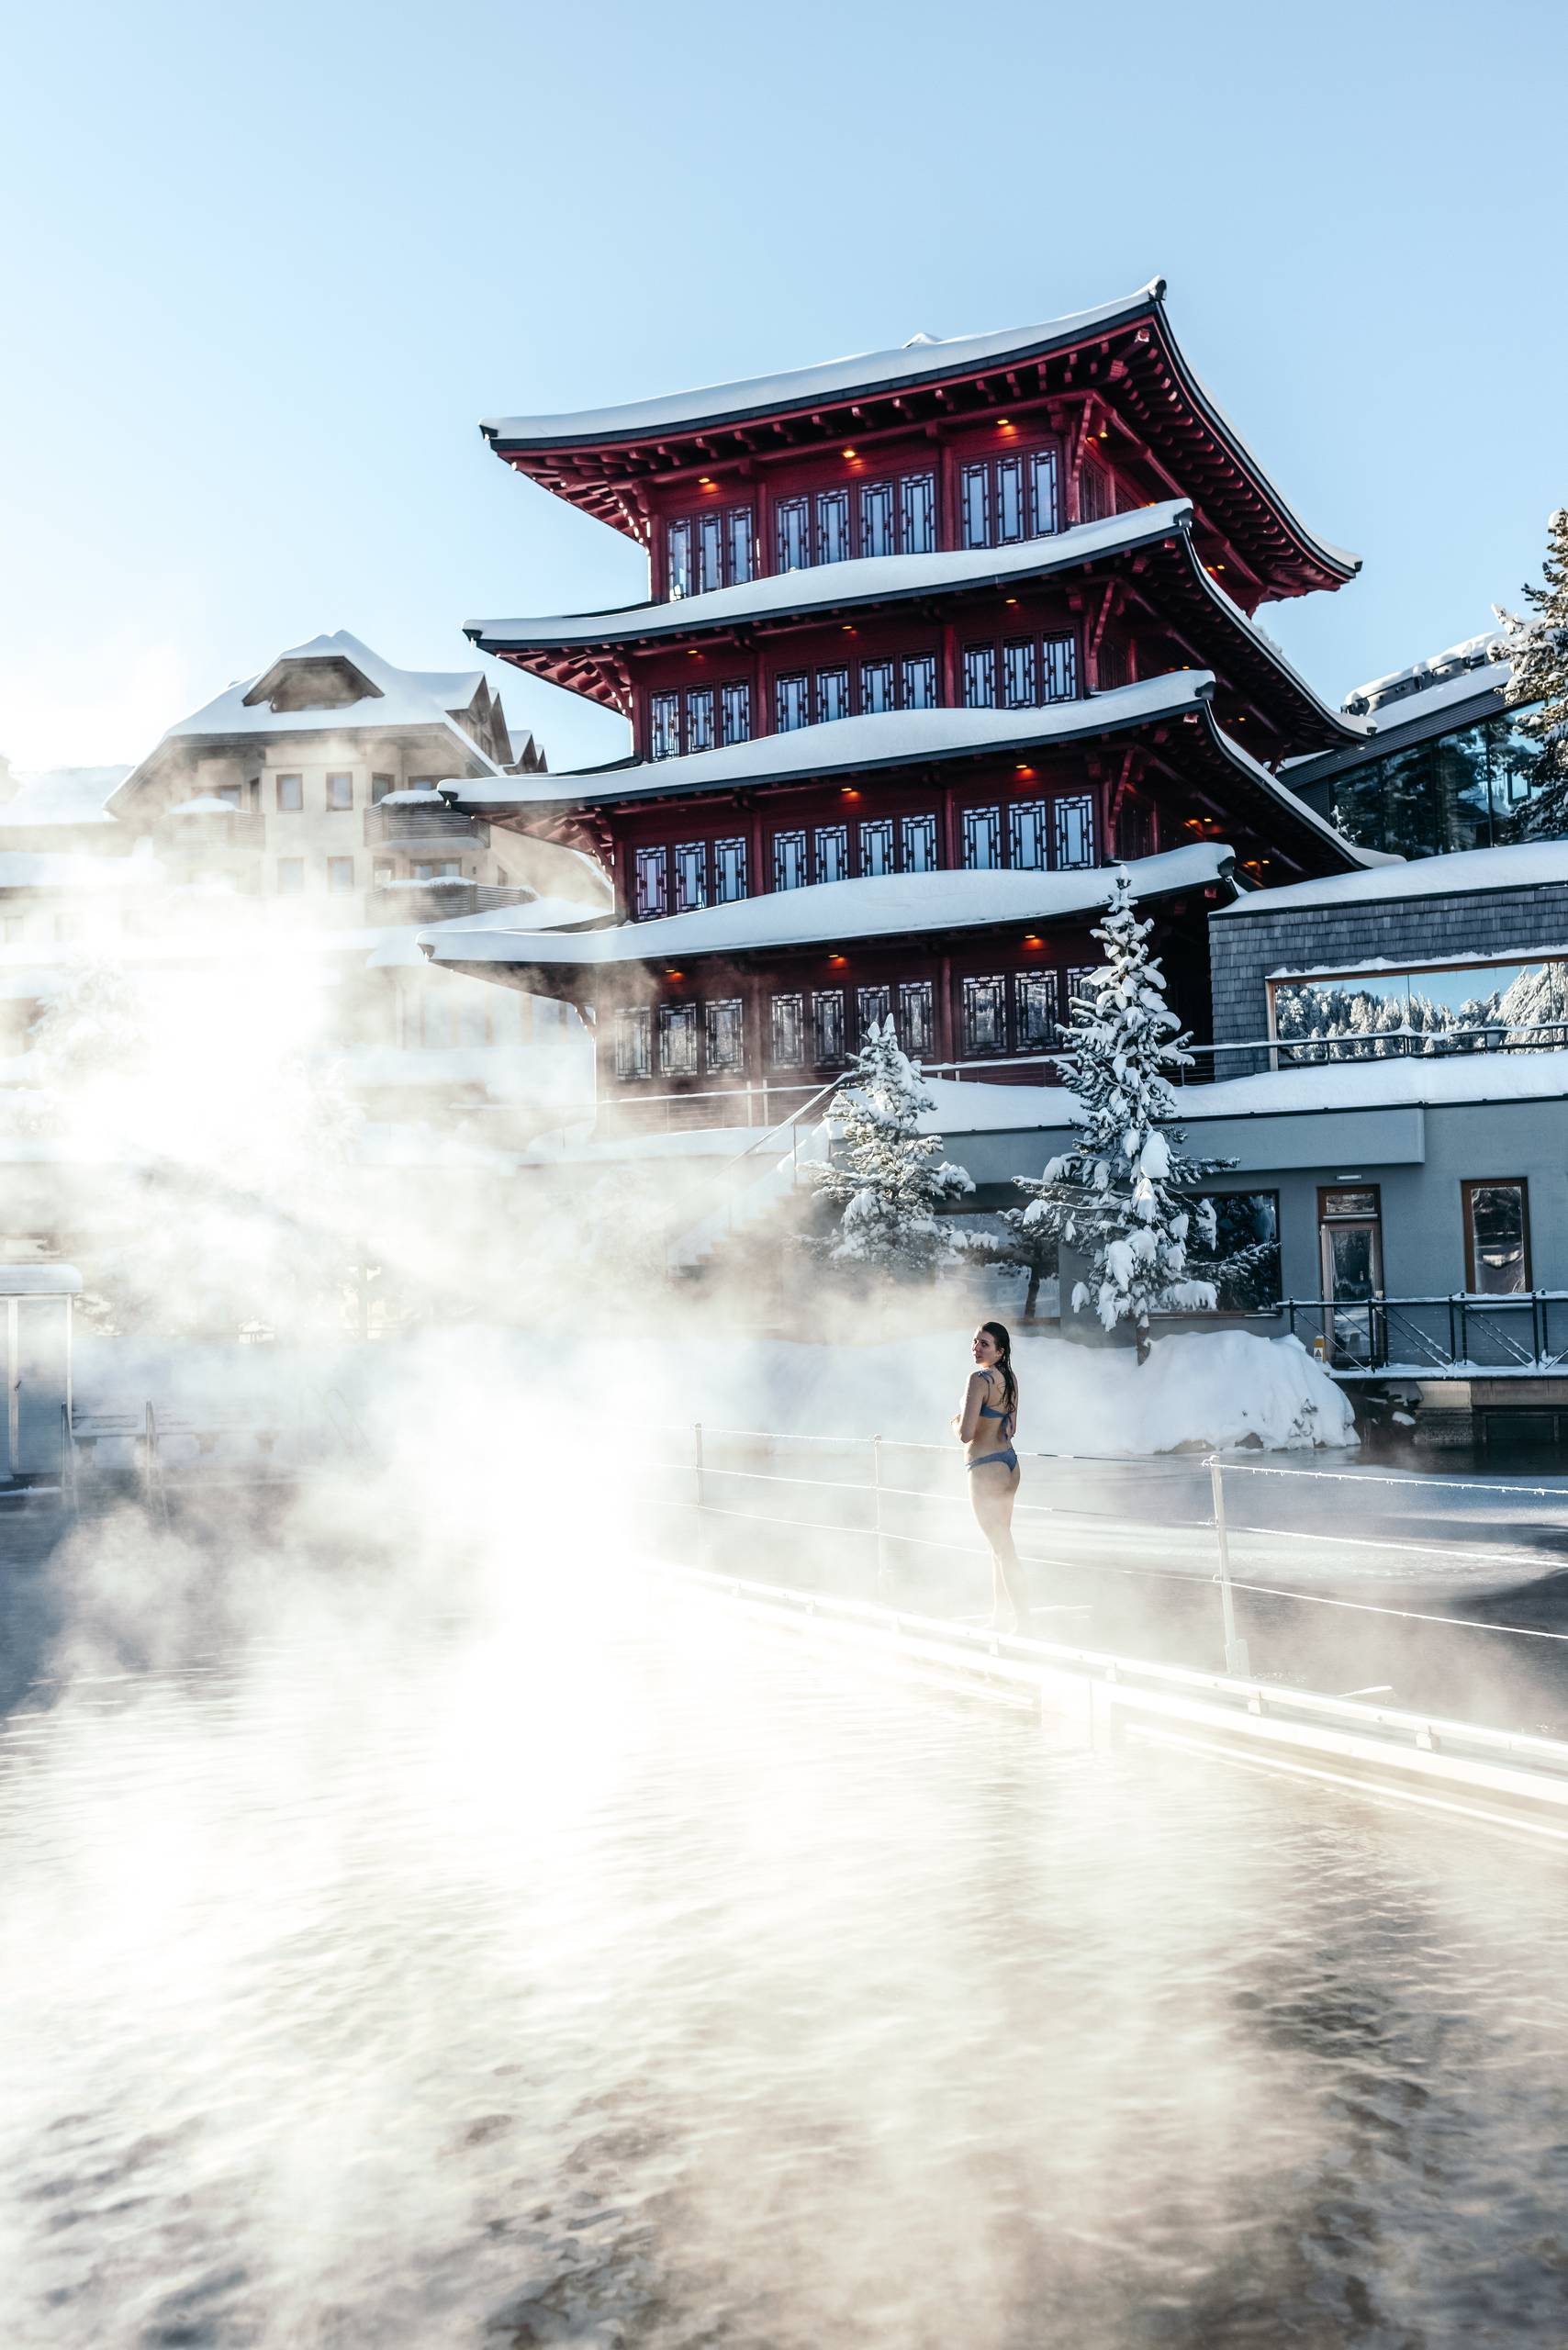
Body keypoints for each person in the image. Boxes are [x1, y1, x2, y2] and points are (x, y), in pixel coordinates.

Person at [951, 1321, 1029, 1636]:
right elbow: (1012, 1427)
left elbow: (966, 1434)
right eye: (974, 1341)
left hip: (985, 1467)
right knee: (998, 1546)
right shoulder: (1008, 1378)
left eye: (984, 1343)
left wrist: (953, 1422)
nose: (977, 1347)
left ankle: (1025, 1621)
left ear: (1000, 1350)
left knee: (1002, 1549)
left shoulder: (979, 1379)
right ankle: (1000, 1615)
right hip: (1009, 1464)